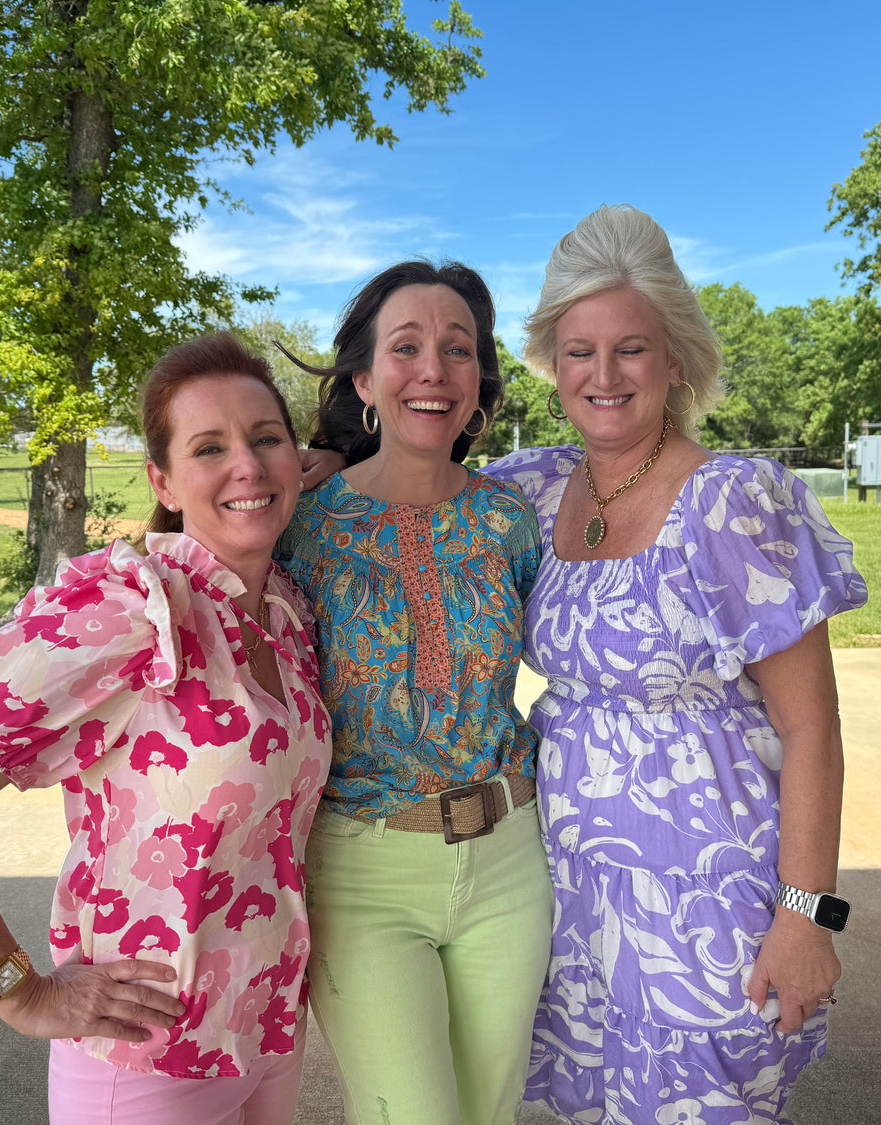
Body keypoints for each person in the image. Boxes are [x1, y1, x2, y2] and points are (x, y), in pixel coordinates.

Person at [0, 332, 332, 1125]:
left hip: (265, 1033)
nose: (248, 466)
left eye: (267, 440)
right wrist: (19, 992)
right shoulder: (128, 611)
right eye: (210, 447)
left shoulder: (286, 616)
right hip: (148, 1058)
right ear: (163, 478)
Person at [486, 205, 869, 1124]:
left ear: (675, 357)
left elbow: (811, 723)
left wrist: (806, 913)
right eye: (579, 350)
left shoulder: (734, 501)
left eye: (632, 348)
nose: (604, 375)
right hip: (569, 886)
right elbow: (405, 493)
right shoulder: (531, 489)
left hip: (708, 894)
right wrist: (310, 460)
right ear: (551, 359)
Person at [274, 261, 553, 1125]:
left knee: (487, 1112)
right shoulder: (304, 522)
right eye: (407, 347)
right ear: (365, 380)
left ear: (479, 385)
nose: (433, 368)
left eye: (457, 350)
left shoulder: (511, 517)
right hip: (364, 867)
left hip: (510, 856)